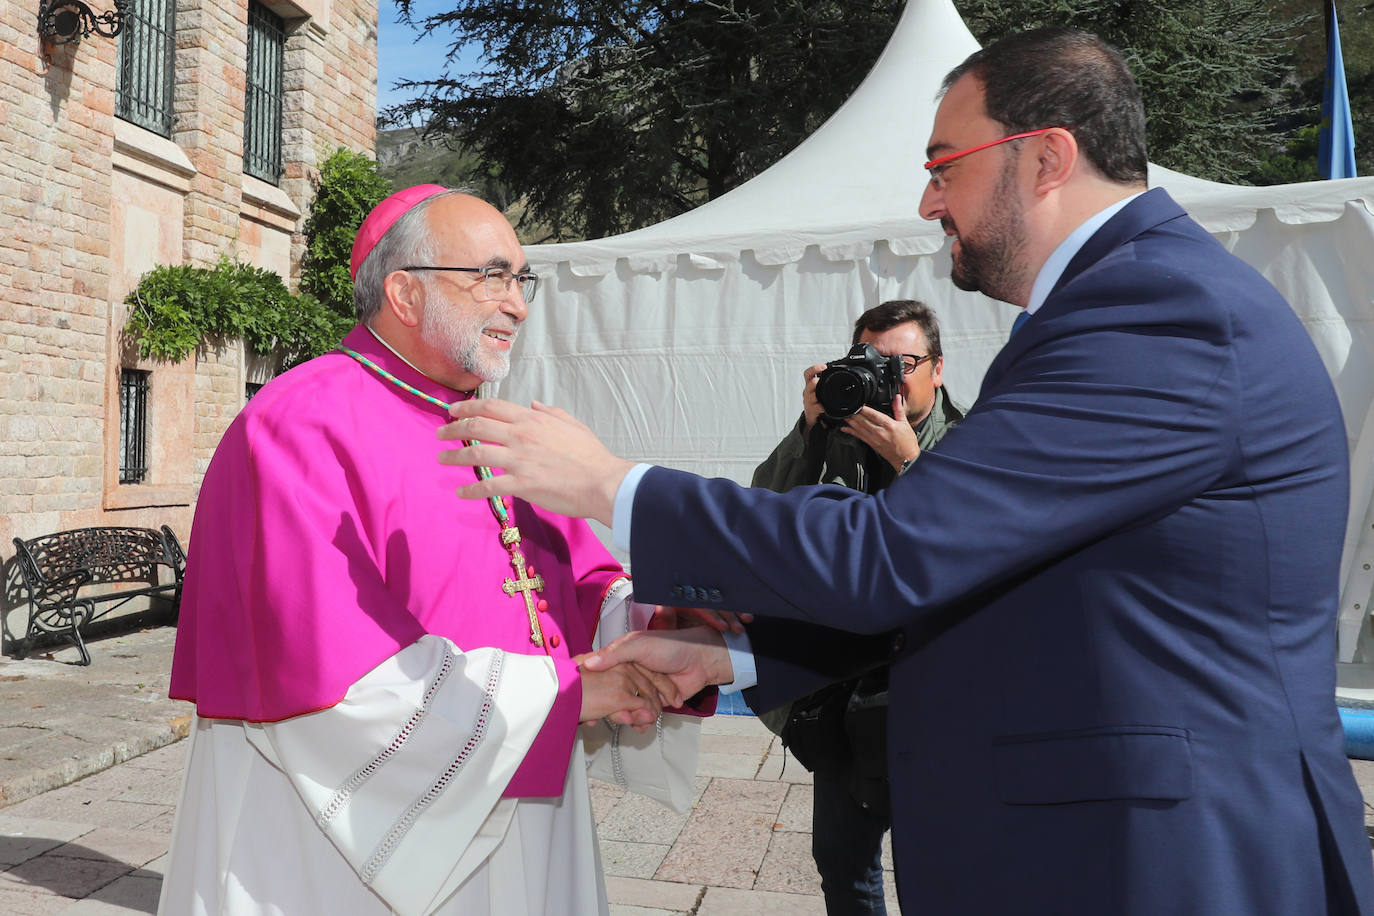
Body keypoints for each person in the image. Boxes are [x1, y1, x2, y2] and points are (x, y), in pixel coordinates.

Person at [435, 29, 1374, 916]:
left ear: (1044, 158)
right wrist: (732, 656)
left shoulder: (1159, 314)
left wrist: (611, 483)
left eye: (943, 166)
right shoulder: (1121, 304)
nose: (929, 202)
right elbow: (996, 573)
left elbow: (895, 550)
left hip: (1164, 859)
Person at [158, 186, 703, 916]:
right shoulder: (295, 425)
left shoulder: (496, 426)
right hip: (345, 832)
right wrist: (566, 694)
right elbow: (330, 679)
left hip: (519, 783)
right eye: (491, 276)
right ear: (404, 292)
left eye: (520, 280)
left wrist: (655, 628)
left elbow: (573, 587)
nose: (517, 304)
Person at [751, 299, 963, 915]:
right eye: (873, 362)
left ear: (938, 368)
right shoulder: (835, 440)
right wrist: (810, 429)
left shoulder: (976, 439)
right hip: (844, 693)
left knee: (941, 865)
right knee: (843, 865)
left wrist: (909, 463)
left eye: (904, 363)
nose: (887, 378)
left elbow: (966, 544)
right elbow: (763, 511)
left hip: (935, 689)